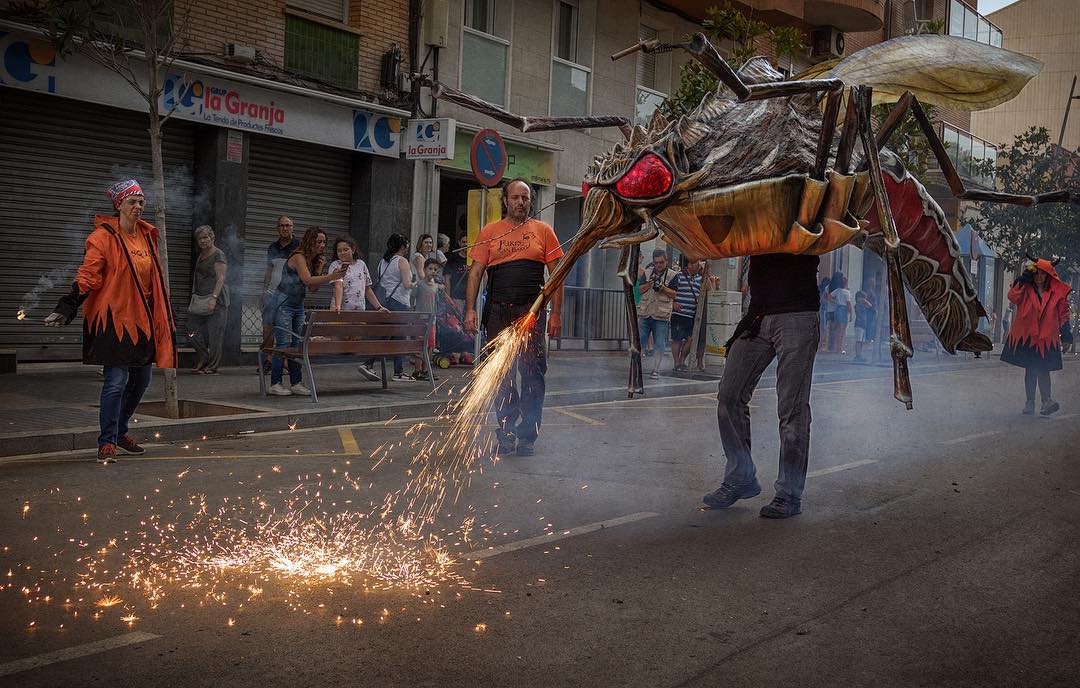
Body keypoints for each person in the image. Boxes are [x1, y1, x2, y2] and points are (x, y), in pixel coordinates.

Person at [45, 180, 176, 464]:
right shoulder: (102, 237)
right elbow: (89, 274)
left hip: (142, 320)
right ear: (119, 206)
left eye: (141, 201)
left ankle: (119, 431)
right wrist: (67, 306)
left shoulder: (147, 235)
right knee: (116, 381)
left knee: (142, 380)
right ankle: (106, 442)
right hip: (114, 320)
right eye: (132, 202)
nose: (138, 207)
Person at [704, 252, 821, 518]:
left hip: (797, 313)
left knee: (792, 408)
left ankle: (789, 493)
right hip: (758, 313)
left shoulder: (806, 210)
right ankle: (740, 476)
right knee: (729, 395)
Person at [464, 178, 564, 457]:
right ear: (505, 201)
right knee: (502, 376)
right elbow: (475, 273)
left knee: (533, 374)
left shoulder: (543, 231)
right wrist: (470, 309)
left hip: (530, 314)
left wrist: (556, 313)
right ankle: (506, 432)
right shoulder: (490, 232)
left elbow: (557, 275)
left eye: (526, 198)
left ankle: (527, 435)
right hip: (497, 313)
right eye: (516, 197)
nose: (521, 202)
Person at [268, 227, 346, 396]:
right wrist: (331, 276)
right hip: (284, 303)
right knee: (283, 344)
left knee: (297, 345)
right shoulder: (298, 257)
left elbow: (312, 288)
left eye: (324, 242)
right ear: (310, 240)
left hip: (297, 305)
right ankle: (275, 383)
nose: (322, 245)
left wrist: (319, 269)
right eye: (318, 241)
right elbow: (306, 279)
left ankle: (296, 382)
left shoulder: (311, 259)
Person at [1000, 257, 1073, 415]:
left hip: (1047, 339)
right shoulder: (1025, 289)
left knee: (1043, 370)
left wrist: (1066, 336)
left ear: (1048, 276)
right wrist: (1022, 278)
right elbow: (1012, 297)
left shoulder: (1056, 293)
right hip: (1028, 337)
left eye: (1043, 274)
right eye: (1036, 274)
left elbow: (1063, 314)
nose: (1039, 277)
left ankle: (1046, 401)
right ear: (1032, 275)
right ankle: (1030, 402)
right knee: (1031, 370)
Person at [327, 235, 388, 382]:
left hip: (359, 314)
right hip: (341, 312)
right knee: (338, 344)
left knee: (354, 343)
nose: (342, 253)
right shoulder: (335, 265)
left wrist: (379, 307)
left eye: (345, 249)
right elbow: (338, 285)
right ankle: (367, 365)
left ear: (353, 249)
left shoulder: (361, 264)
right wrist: (338, 306)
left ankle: (367, 364)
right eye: (339, 250)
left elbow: (367, 288)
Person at [372, 232, 418, 382]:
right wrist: (415, 283)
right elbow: (407, 284)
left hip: (384, 302)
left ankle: (396, 371)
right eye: (406, 246)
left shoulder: (382, 262)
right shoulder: (402, 261)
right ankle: (371, 364)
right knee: (398, 337)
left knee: (390, 335)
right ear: (403, 246)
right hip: (399, 303)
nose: (407, 248)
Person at [188, 225, 228, 375]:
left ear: (212, 238)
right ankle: (204, 356)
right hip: (199, 300)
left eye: (205, 237)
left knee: (215, 335)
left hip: (216, 301)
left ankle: (212, 366)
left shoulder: (218, 255)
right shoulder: (201, 255)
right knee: (191, 331)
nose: (203, 241)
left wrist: (214, 298)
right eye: (200, 238)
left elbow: (221, 278)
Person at [261, 216, 298, 373]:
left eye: (288, 225)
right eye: (282, 225)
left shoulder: (299, 246)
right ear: (277, 228)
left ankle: (284, 362)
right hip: (271, 293)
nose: (285, 228)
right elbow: (269, 271)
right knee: (267, 327)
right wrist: (263, 290)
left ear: (292, 228)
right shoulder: (272, 247)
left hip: (290, 295)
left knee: (286, 329)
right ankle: (268, 360)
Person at [637, 249, 679, 379]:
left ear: (666, 261)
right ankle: (636, 368)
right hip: (646, 312)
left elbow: (674, 294)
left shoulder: (672, 275)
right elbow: (640, 290)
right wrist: (650, 284)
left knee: (659, 344)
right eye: (656, 263)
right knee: (640, 341)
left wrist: (662, 287)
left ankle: (656, 369)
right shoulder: (647, 272)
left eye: (661, 262)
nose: (659, 265)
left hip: (661, 315)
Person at [670, 258, 704, 373]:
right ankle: (676, 363)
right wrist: (673, 303)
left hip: (691, 314)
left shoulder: (700, 278)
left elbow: (710, 289)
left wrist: (706, 274)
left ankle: (682, 360)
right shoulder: (678, 276)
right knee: (677, 339)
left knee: (691, 339)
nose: (698, 265)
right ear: (688, 265)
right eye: (696, 263)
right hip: (679, 313)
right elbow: (670, 292)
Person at [412, 257, 442, 381]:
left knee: (430, 346)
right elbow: (412, 299)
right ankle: (417, 370)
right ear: (424, 269)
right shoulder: (419, 284)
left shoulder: (435, 286)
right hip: (420, 319)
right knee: (420, 345)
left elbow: (436, 302)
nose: (433, 271)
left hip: (432, 320)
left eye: (435, 269)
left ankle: (426, 369)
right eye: (430, 269)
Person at [829, 276, 853, 354]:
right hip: (843, 309)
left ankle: (837, 347)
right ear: (846, 283)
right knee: (842, 330)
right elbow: (848, 304)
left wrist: (835, 301)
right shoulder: (847, 292)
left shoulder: (837, 290)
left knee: (838, 330)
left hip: (837, 309)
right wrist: (851, 314)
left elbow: (829, 296)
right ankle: (840, 348)